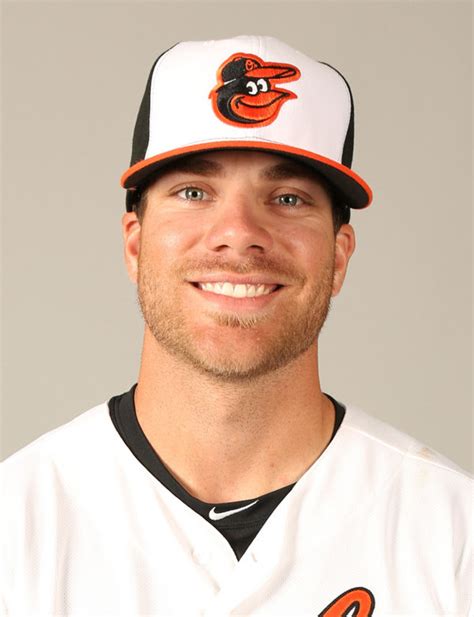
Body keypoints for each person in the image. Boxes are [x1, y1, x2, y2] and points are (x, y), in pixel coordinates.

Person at [1, 35, 471, 617]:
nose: (239, 231)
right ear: (135, 245)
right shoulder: (15, 526)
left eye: (289, 198)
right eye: (194, 192)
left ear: (340, 256)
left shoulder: (453, 534)